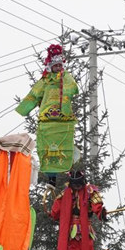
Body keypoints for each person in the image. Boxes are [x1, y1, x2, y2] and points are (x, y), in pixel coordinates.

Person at [16, 44, 79, 186]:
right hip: (47, 121)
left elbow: (74, 89)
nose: (58, 68)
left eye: (60, 65)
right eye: (56, 65)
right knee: (47, 150)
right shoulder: (45, 81)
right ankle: (52, 179)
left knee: (65, 147)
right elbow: (34, 95)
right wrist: (24, 109)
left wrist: (64, 80)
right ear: (51, 66)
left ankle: (71, 177)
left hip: (64, 120)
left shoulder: (67, 78)